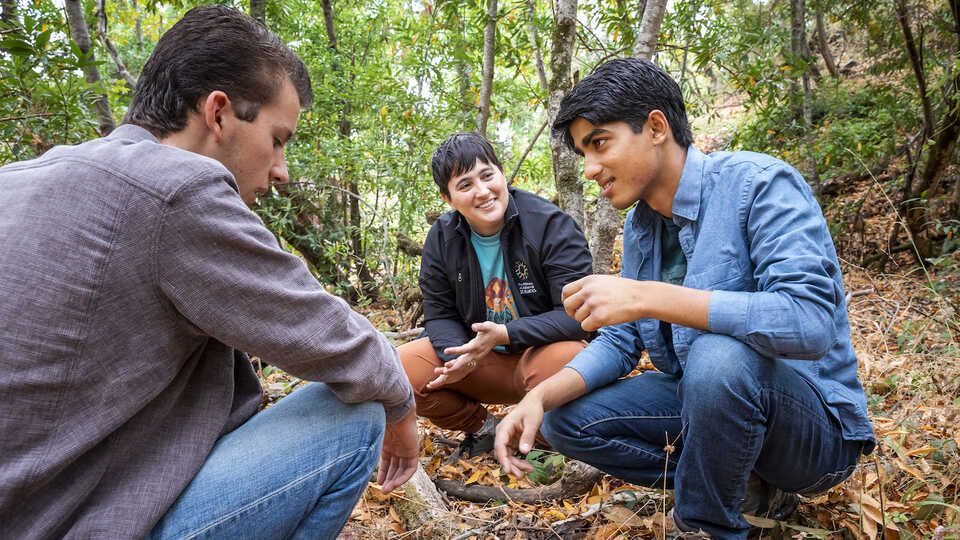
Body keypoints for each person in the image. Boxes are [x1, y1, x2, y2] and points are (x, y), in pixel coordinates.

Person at [0, 6, 417, 539]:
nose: (281, 170)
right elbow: (332, 336)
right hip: (69, 523)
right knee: (352, 420)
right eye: (278, 138)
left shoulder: (27, 175)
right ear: (218, 113)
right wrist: (402, 410)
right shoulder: (174, 188)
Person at [494, 58, 876, 539]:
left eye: (599, 143)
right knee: (564, 419)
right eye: (581, 153)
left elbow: (809, 321)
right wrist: (536, 397)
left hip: (813, 431)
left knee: (719, 357)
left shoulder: (758, 184)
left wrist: (652, 296)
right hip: (707, 404)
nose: (590, 169)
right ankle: (742, 487)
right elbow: (619, 343)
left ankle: (705, 526)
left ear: (655, 127)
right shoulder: (641, 227)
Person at [398, 132, 592, 456]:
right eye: (465, 185)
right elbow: (440, 313)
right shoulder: (442, 239)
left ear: (502, 173)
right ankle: (483, 429)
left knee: (571, 359)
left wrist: (506, 332)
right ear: (448, 199)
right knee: (400, 369)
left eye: (487, 176)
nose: (483, 191)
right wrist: (454, 356)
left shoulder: (550, 225)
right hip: (483, 362)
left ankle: (537, 442)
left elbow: (578, 318)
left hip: (540, 356)